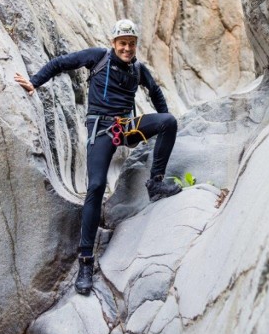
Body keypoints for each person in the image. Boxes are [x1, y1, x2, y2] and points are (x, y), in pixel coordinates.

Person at [14, 19, 182, 295]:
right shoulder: (98, 57)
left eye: (131, 43)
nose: (127, 48)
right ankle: (85, 262)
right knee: (95, 186)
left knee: (168, 122)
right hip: (101, 130)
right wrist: (34, 82)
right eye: (122, 43)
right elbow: (61, 63)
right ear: (114, 43)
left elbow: (156, 93)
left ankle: (156, 183)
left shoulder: (138, 70)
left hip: (126, 127)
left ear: (135, 45)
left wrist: (168, 115)